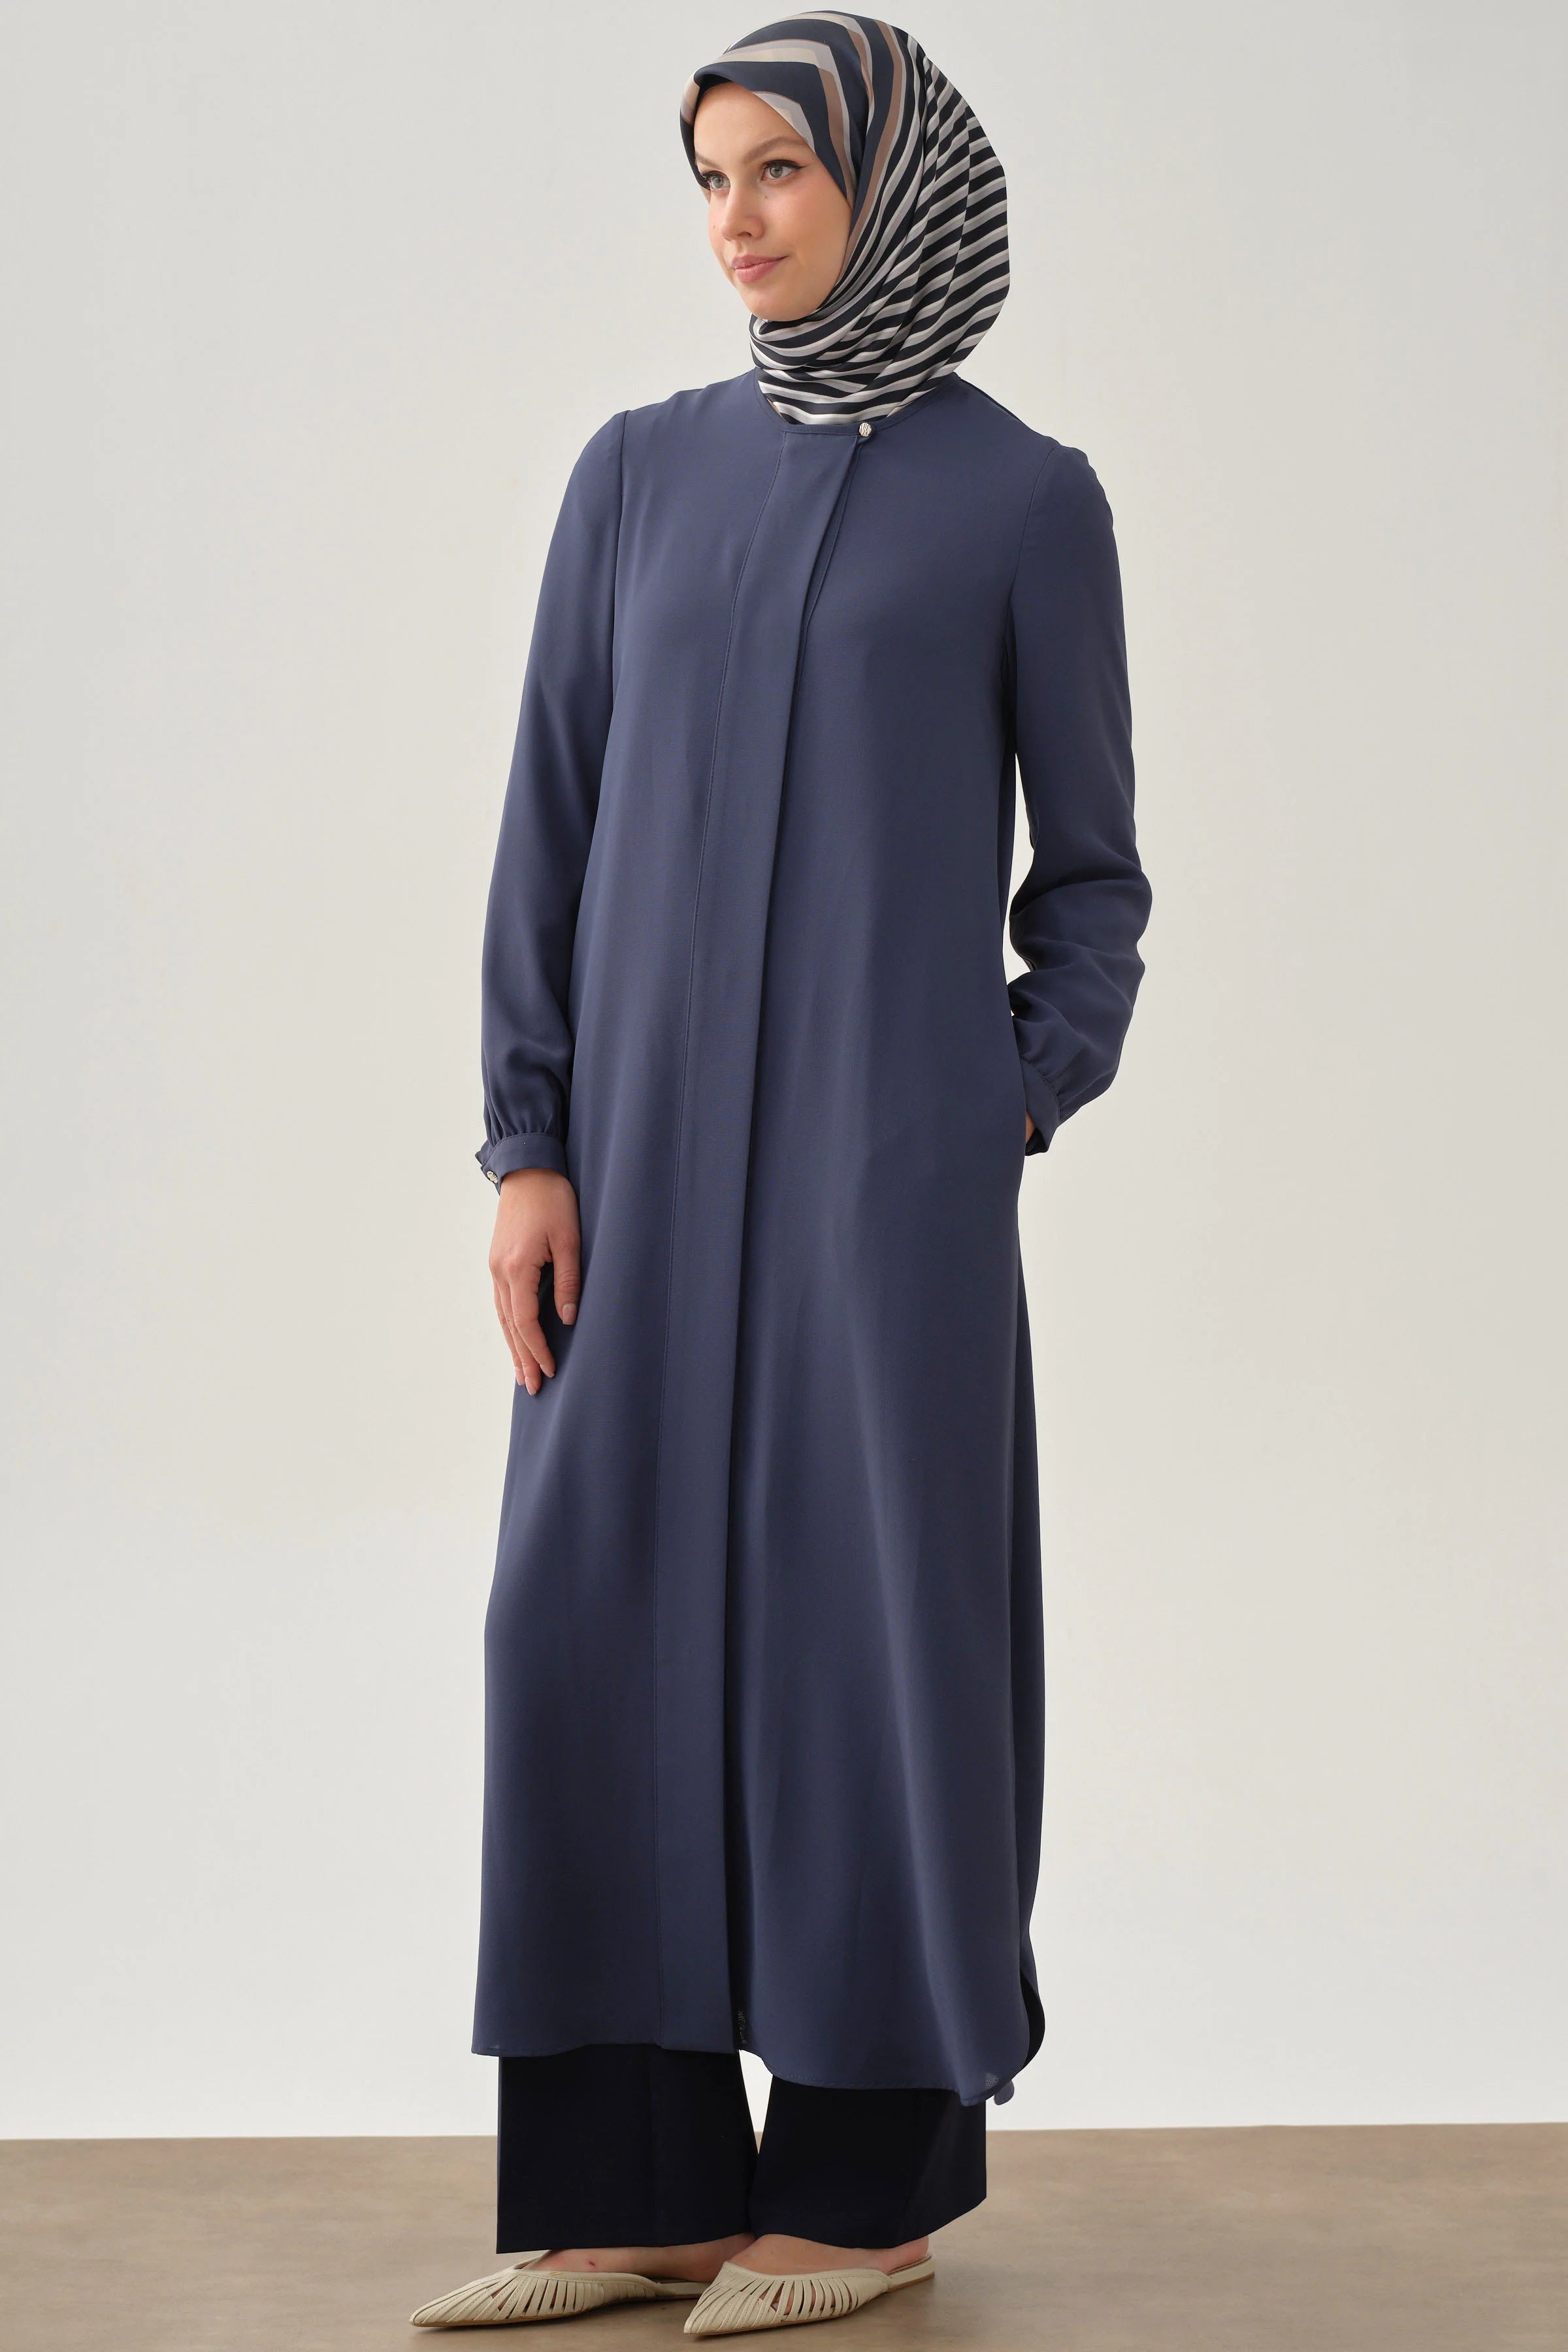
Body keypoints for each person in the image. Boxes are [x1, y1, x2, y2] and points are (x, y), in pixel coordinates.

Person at [412, 11, 1152, 2336]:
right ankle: (631, 2189)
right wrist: (529, 1141)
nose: (734, 221)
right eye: (711, 178)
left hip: (876, 1209)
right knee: (583, 1626)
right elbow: (549, 824)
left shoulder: (1024, 501)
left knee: (873, 1655)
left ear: (887, 184)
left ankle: (861, 2188)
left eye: (779, 173)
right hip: (627, 1190)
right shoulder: (637, 475)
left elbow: (1094, 888)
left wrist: (991, 1103)